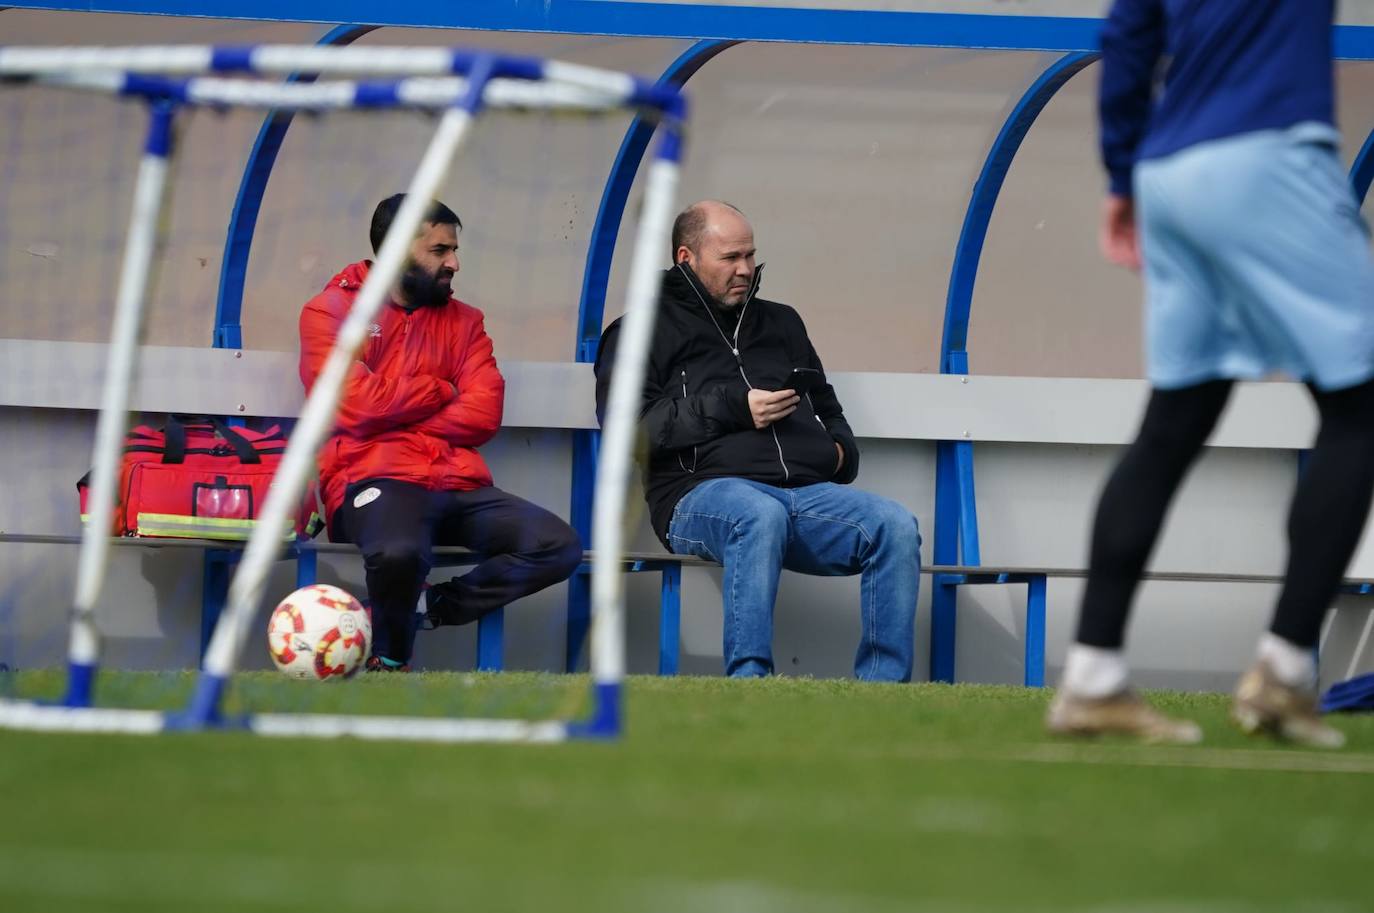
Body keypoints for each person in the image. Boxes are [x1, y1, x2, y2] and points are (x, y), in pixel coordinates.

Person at [1048, 0, 1374, 747]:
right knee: (1358, 406)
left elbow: (1128, 35)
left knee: (1175, 421)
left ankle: (1093, 676)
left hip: (1172, 173)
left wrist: (1121, 173)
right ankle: (1286, 666)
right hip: (1271, 152)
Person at [594, 200, 921, 681]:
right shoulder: (637, 331)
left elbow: (826, 402)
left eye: (749, 256)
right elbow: (629, 431)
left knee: (894, 524)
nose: (745, 269)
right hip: (696, 496)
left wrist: (840, 454)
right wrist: (732, 406)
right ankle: (750, 680)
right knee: (757, 513)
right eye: (730, 258)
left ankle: (884, 685)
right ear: (686, 258)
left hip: (803, 494)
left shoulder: (783, 322)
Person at [299, 194, 582, 671]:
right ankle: (390, 659)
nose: (454, 262)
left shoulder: (466, 322)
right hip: (371, 479)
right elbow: (350, 403)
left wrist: (391, 407)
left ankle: (428, 608)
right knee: (398, 553)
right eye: (439, 251)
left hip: (455, 484)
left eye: (453, 250)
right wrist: (441, 389)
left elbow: (483, 413)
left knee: (558, 545)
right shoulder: (330, 311)